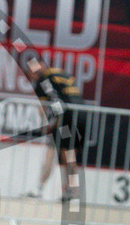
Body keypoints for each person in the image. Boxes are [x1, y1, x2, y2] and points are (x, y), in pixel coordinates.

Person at [21, 53, 85, 201]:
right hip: (81, 114)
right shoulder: (58, 71)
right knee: (69, 155)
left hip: (66, 118)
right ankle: (71, 191)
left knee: (56, 152)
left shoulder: (42, 80)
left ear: (33, 71)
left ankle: (41, 188)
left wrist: (49, 125)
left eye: (30, 73)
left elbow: (44, 106)